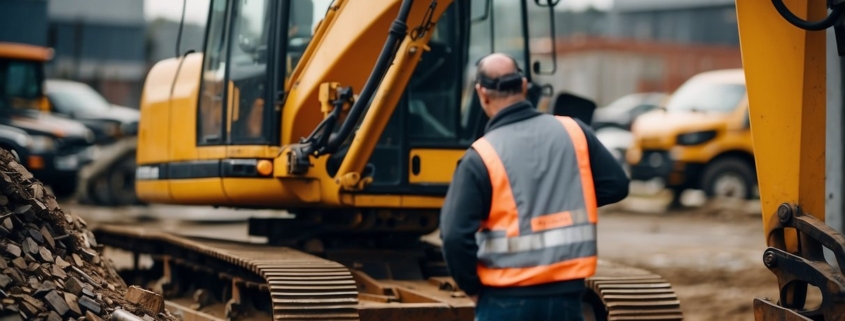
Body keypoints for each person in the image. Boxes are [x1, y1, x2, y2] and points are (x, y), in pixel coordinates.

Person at [439, 53, 630, 321]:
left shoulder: (481, 156)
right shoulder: (574, 132)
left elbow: (455, 237)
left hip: (505, 300)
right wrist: (567, 198)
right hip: (567, 298)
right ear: (525, 85)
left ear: (482, 93)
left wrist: (472, 288)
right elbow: (617, 185)